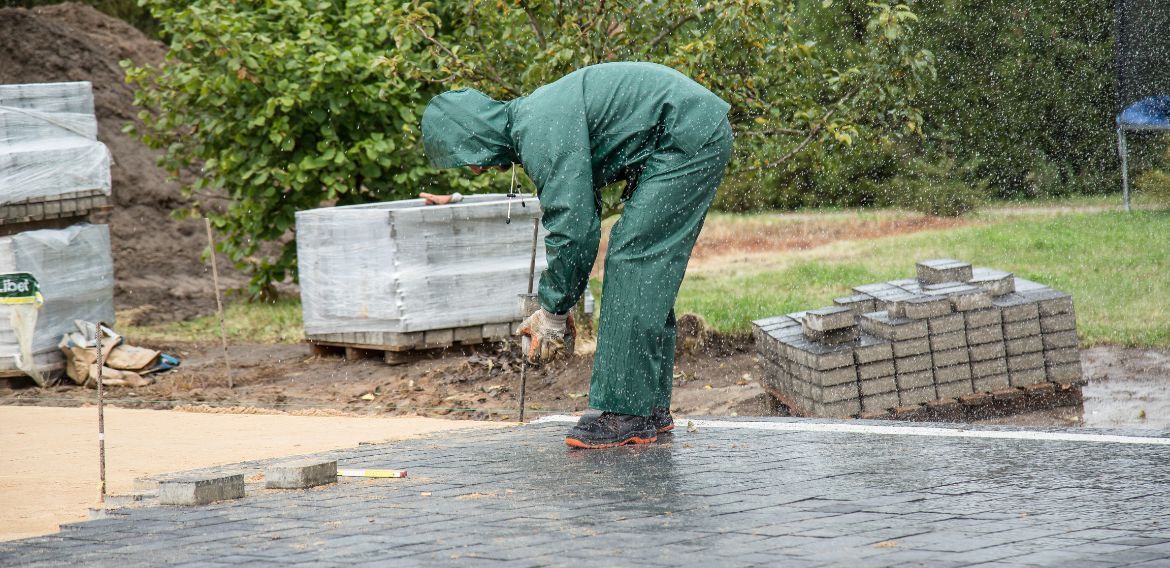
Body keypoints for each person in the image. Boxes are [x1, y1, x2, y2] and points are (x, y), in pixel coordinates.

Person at [420, 62, 732, 449]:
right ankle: (646, 406)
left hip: (686, 135)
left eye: (466, 155)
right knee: (643, 265)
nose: (474, 167)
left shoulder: (538, 131)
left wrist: (552, 309)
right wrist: (561, 301)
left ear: (475, 134)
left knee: (634, 259)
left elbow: (575, 230)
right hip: (689, 130)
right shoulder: (534, 120)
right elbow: (583, 212)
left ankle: (624, 412)